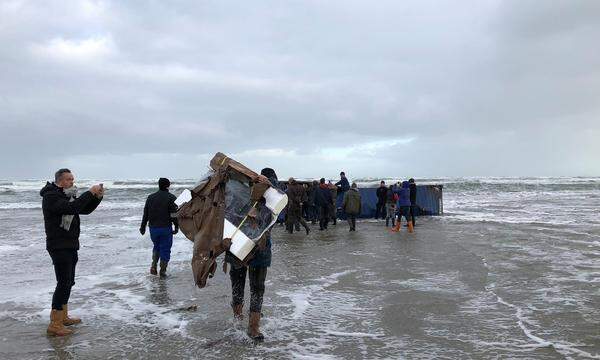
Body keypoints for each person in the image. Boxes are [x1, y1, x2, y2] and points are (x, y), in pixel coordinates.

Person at [41, 168, 103, 336]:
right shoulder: (51, 196)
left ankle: (63, 316)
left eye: (73, 179)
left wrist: (97, 198)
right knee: (63, 282)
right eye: (69, 179)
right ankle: (55, 323)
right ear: (60, 180)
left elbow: (83, 209)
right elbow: (73, 207)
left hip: (70, 244)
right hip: (58, 244)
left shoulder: (67, 195)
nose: (72, 182)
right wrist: (89, 192)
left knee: (69, 282)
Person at [224, 168, 278, 342]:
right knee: (256, 287)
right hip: (255, 248)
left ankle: (240, 321)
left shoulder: (239, 191)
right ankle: (252, 328)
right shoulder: (270, 196)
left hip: (239, 246)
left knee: (238, 283)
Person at [140, 178, 179, 277]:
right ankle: (162, 271)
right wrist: (177, 226)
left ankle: (153, 266)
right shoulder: (171, 198)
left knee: (156, 246)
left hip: (153, 228)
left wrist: (143, 226)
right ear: (168, 186)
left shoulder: (150, 197)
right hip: (165, 228)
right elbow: (174, 214)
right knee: (165, 249)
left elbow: (146, 213)